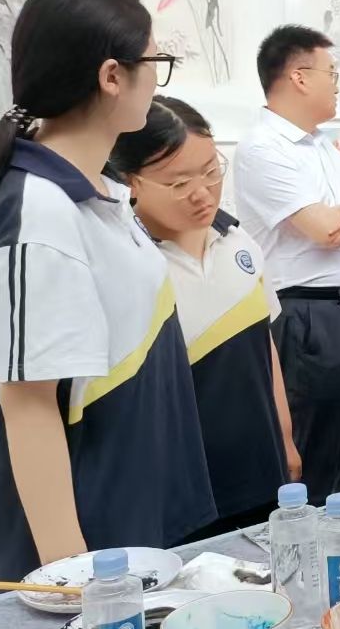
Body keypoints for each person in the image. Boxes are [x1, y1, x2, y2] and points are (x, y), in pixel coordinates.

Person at [0, 0, 216, 583]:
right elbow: (28, 408)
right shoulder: (39, 212)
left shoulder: (98, 191)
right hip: (89, 552)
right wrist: (73, 580)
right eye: (155, 63)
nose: (157, 80)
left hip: (129, 517)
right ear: (112, 76)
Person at [111, 96, 301, 536]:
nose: (202, 193)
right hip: (180, 489)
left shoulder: (239, 244)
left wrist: (286, 440)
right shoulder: (129, 263)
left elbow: (264, 348)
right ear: (131, 181)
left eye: (211, 171)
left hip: (260, 469)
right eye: (179, 183)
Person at [233, 25, 340, 499]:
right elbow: (326, 229)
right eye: (331, 73)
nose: (337, 84)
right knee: (314, 456)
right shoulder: (263, 148)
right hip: (305, 317)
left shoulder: (320, 144)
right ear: (299, 77)